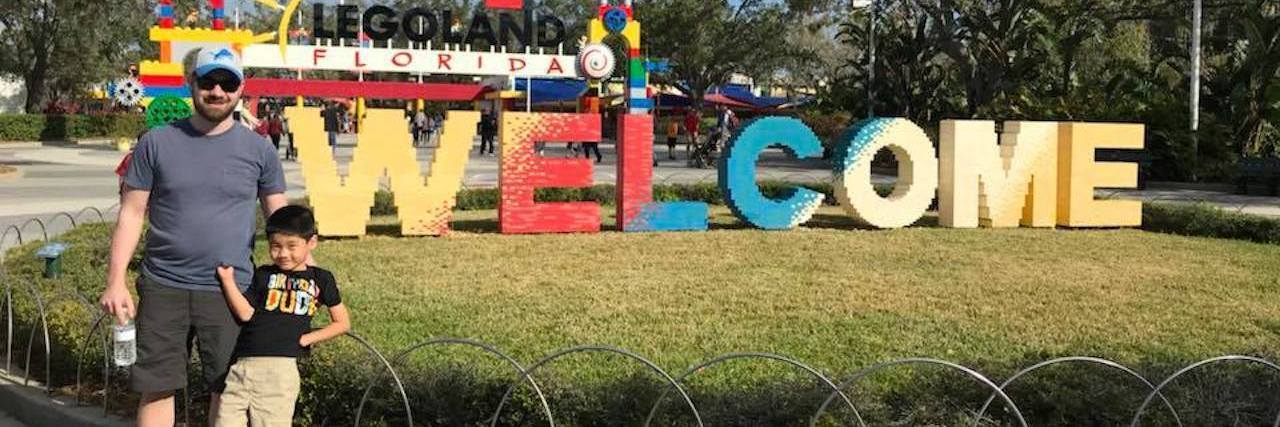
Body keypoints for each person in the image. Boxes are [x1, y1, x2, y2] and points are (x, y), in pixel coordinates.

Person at [98, 47, 288, 427]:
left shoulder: (259, 149)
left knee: (228, 390)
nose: (217, 91)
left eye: (228, 83)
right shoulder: (156, 142)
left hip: (231, 290)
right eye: (209, 81)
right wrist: (115, 281)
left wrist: (305, 274)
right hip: (164, 285)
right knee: (157, 387)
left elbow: (280, 219)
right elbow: (132, 213)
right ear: (192, 83)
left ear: (241, 89)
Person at [213, 205, 349, 426]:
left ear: (311, 242)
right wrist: (227, 281)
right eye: (275, 246)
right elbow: (246, 314)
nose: (283, 254)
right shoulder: (264, 274)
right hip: (242, 366)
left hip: (280, 371)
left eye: (291, 246)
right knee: (224, 421)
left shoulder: (320, 279)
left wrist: (307, 339)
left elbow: (342, 323)